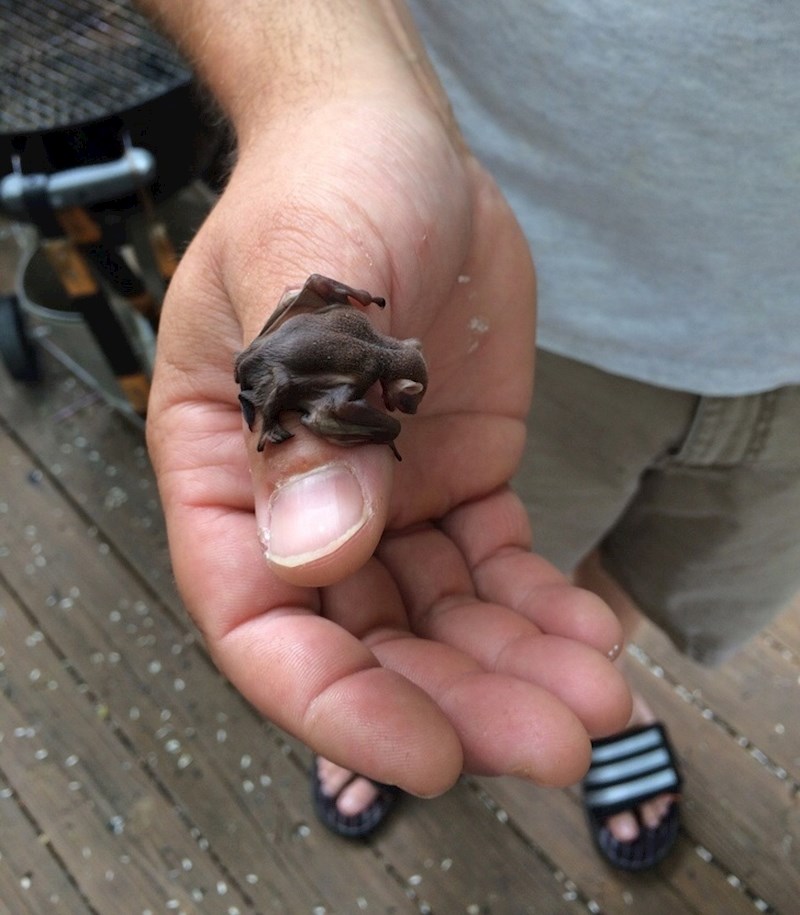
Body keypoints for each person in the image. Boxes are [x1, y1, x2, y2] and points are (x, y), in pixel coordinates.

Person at [141, 0, 800, 872]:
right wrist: (314, 98)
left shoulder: (372, 376)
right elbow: (296, 357)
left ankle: (598, 675)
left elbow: (319, 356)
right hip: (483, 283)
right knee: (447, 561)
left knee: (640, 567)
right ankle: (389, 693)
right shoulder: (372, 376)